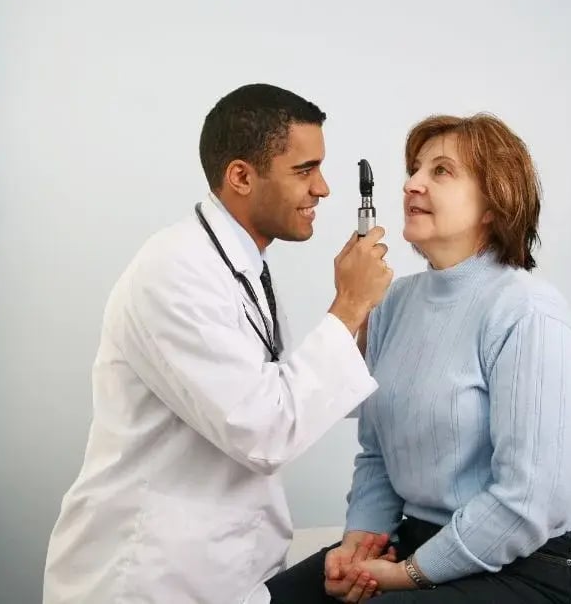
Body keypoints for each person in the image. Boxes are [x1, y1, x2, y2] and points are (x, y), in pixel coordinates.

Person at [41, 83, 395, 604]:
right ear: (241, 176)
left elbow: (286, 393)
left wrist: (363, 335)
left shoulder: (241, 267)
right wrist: (348, 305)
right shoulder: (175, 272)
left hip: (227, 570)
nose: (323, 189)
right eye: (304, 170)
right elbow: (267, 429)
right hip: (148, 580)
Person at [266, 113, 571, 603]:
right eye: (414, 169)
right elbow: (378, 453)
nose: (412, 183)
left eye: (441, 171)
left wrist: (408, 574)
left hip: (542, 565)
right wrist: (360, 541)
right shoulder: (390, 304)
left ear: (495, 202)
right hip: (424, 541)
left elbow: (530, 502)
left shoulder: (529, 314)